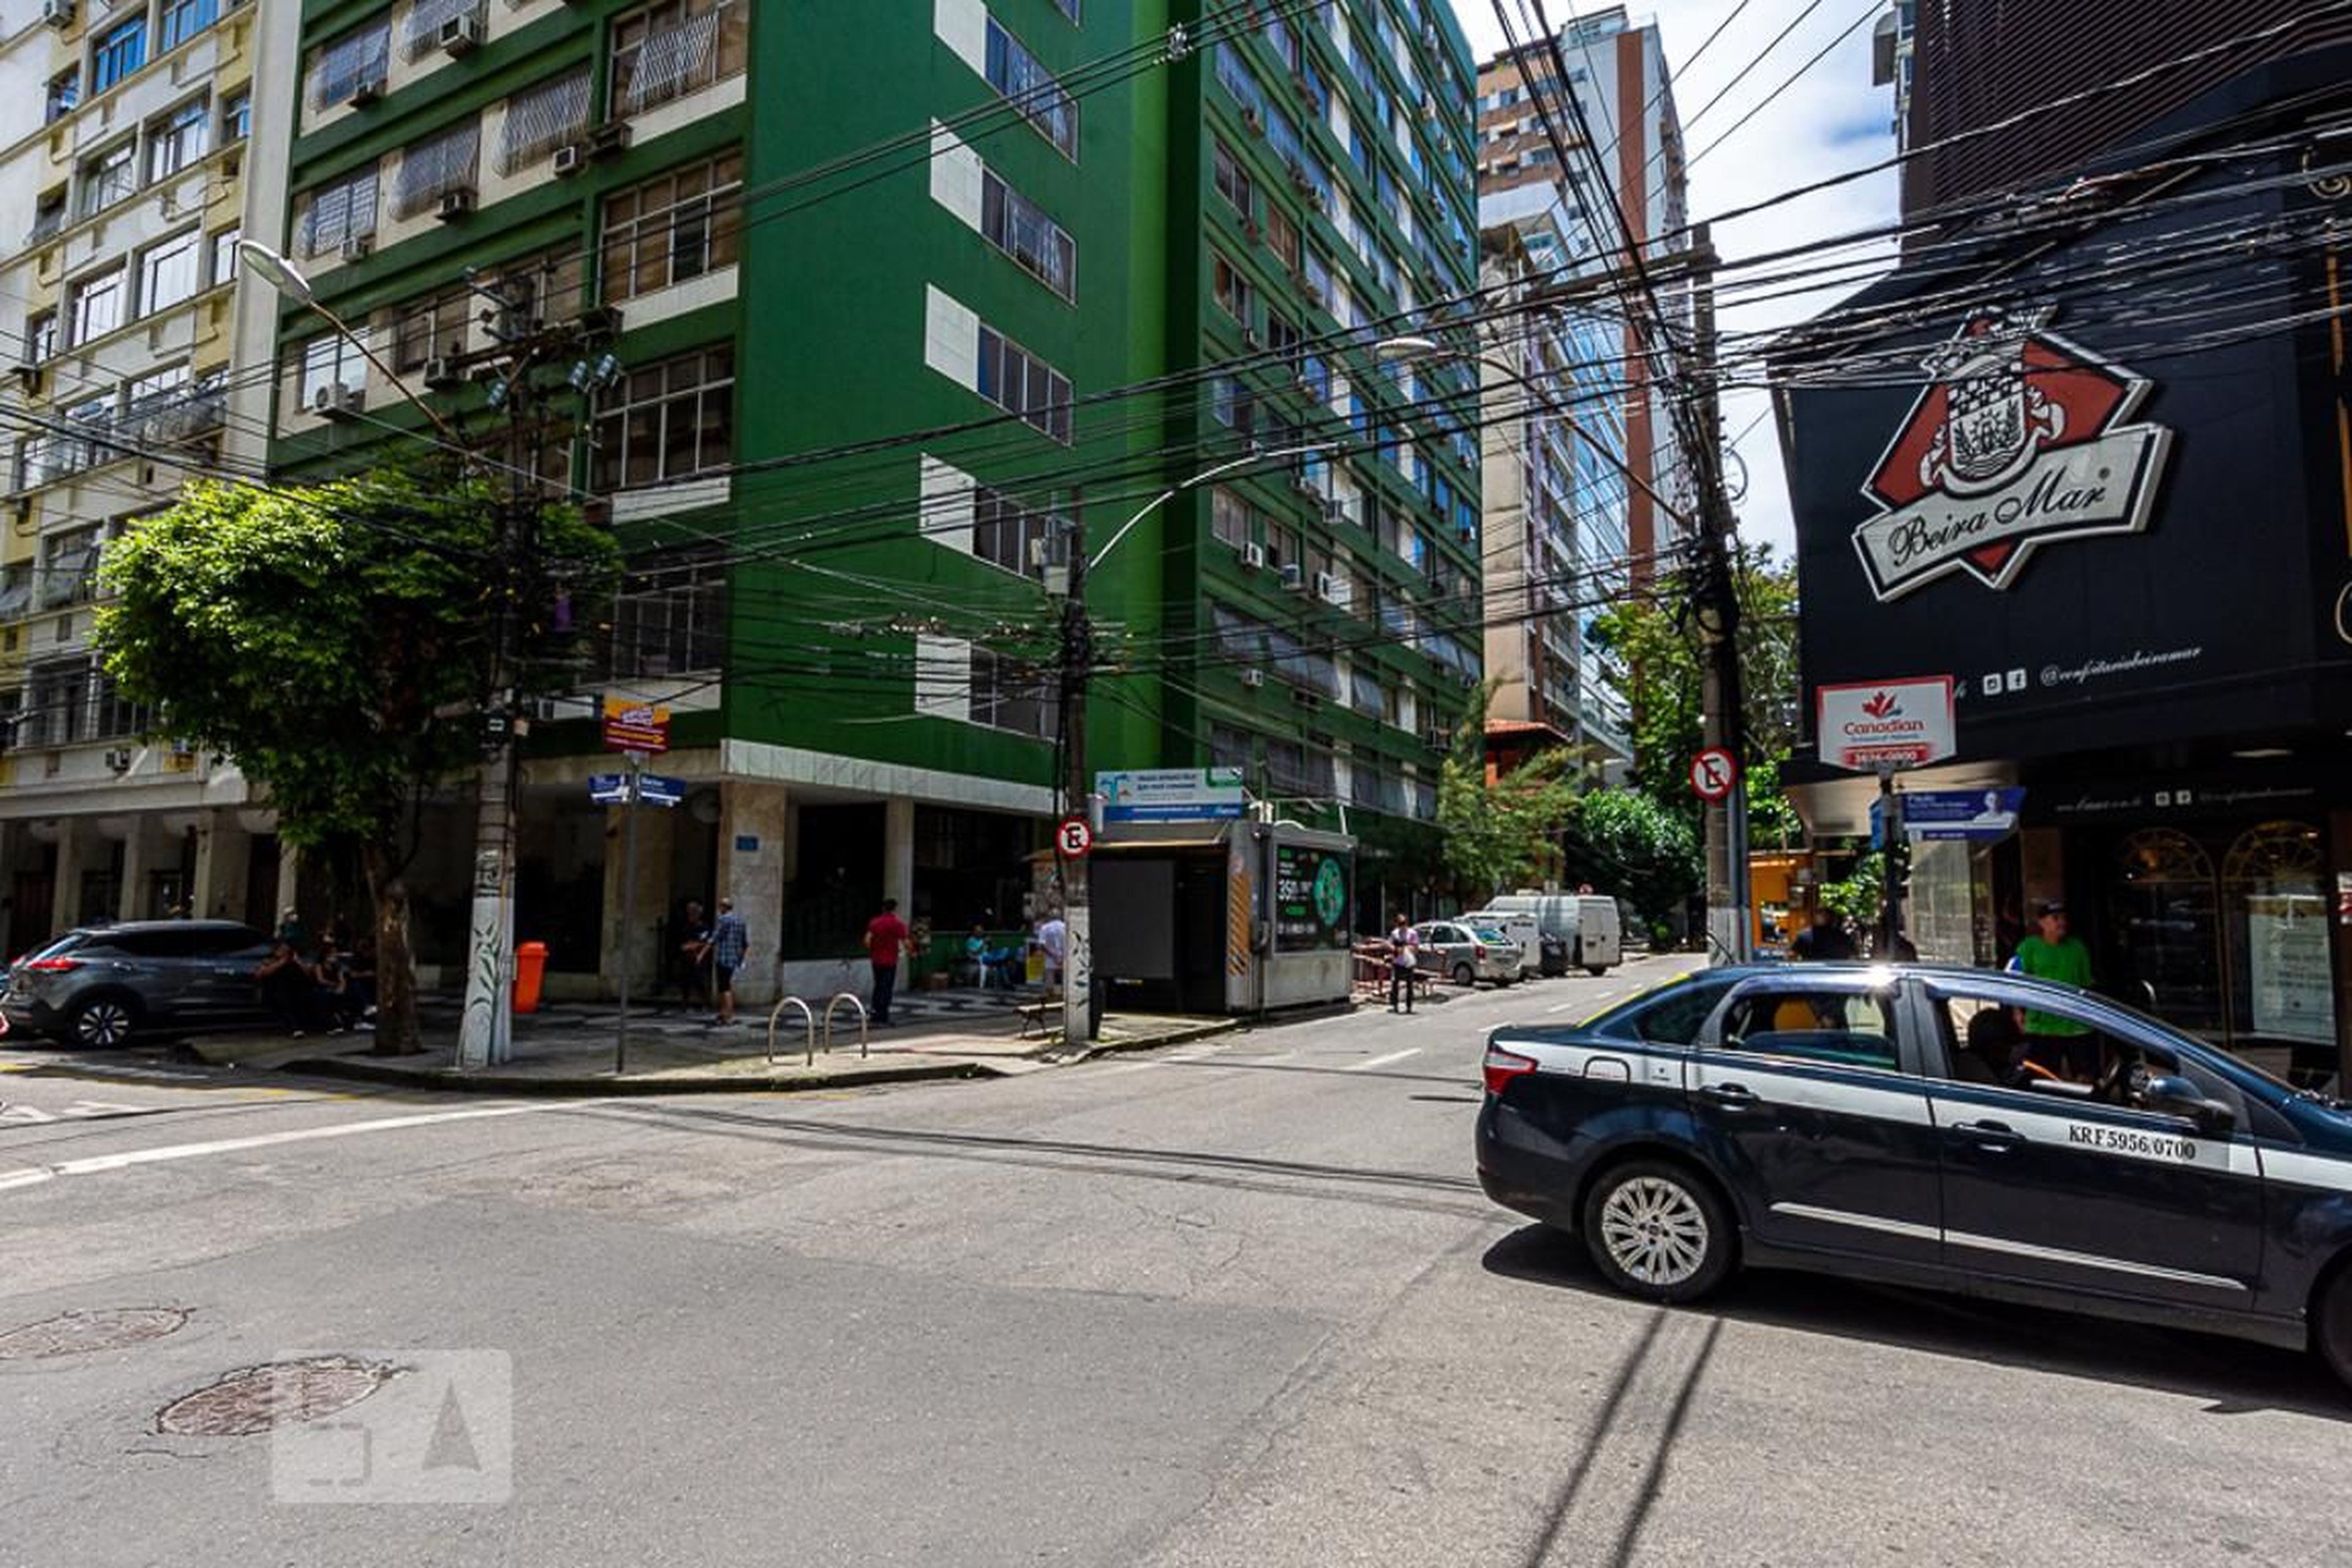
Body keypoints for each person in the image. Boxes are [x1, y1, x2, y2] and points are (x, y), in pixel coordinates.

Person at [2015, 899, 2098, 1079]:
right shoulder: (2029, 947)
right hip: (2042, 1027)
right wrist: (2017, 1012)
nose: (2062, 922)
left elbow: (2087, 985)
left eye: (2064, 918)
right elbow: (2015, 982)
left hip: (2076, 1025)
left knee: (2085, 1079)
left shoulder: (2078, 948)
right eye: (2056, 918)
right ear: (2042, 922)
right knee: (2042, 1080)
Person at [255, 940, 320, 1038]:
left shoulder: (295, 961)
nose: (284, 952)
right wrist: (282, 962)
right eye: (282, 950)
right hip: (276, 991)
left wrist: (298, 961)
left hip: (296, 989)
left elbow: (307, 973)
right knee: (285, 999)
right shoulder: (269, 960)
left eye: (286, 950)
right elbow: (261, 974)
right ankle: (295, 1029)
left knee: (306, 997)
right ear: (276, 951)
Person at [864, 897, 910, 1026]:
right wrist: (911, 951)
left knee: (878, 986)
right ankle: (883, 1016)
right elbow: (906, 942)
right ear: (895, 909)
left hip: (877, 960)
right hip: (890, 960)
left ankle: (874, 1014)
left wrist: (874, 950)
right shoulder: (898, 924)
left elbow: (867, 941)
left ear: (883, 908)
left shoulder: (874, 922)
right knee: (887, 988)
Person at [706, 897, 748, 1025]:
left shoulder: (723, 920)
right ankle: (723, 1013)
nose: (719, 909)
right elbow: (745, 943)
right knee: (725, 986)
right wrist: (741, 959)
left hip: (723, 958)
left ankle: (728, 1015)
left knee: (724, 988)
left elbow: (715, 938)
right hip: (734, 960)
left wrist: (703, 951)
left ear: (724, 907)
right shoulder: (740, 921)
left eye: (720, 906)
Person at [309, 937, 359, 1035]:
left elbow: (342, 978)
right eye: (332, 953)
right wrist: (335, 985)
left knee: (350, 991)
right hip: (323, 988)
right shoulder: (319, 965)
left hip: (336, 988)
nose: (335, 955)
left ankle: (351, 1020)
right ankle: (332, 1024)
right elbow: (321, 980)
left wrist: (341, 987)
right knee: (326, 996)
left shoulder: (337, 965)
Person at [674, 899, 710, 1009]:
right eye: (689, 910)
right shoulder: (683, 924)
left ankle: (705, 1002)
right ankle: (685, 1002)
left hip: (698, 957)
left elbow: (706, 941)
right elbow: (679, 939)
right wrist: (683, 946)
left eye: (693, 910)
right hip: (685, 956)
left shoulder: (703, 926)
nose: (691, 913)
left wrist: (695, 945)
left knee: (699, 980)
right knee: (684, 980)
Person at [1790, 908, 1855, 961]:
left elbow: (1792, 956)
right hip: (1838, 973)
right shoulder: (1844, 937)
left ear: (1815, 919)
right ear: (1834, 920)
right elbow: (1853, 956)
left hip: (1810, 972)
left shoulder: (1804, 935)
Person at [1387, 912, 1420, 1014]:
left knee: (1410, 985)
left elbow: (1416, 947)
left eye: (1404, 923)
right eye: (1400, 923)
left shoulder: (1413, 933)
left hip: (1408, 962)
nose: (1402, 926)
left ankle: (1409, 1006)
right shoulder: (1395, 933)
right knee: (1395, 984)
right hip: (1397, 961)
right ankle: (1395, 1005)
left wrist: (1407, 948)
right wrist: (1395, 949)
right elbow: (1389, 944)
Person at [1035, 910, 1068, 990]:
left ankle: (1051, 999)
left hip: (1050, 957)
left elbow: (1041, 945)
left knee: (1050, 980)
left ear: (1049, 917)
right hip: (1065, 957)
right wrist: (1062, 956)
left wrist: (1054, 956)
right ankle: (1065, 999)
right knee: (1066, 980)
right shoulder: (1066, 927)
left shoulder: (1045, 928)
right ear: (1060, 916)